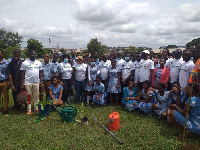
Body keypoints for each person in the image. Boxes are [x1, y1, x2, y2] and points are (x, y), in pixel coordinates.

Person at [20, 50, 42, 115]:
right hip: (28, 82)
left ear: (36, 55)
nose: (33, 55)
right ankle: (29, 110)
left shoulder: (39, 63)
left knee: (36, 97)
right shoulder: (25, 63)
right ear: (29, 55)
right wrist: (22, 83)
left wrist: (41, 81)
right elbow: (22, 74)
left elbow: (40, 73)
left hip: (36, 82)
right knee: (28, 97)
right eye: (32, 54)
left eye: (34, 54)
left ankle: (36, 109)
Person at [0, 49, 9, 116]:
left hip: (4, 82)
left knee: (6, 96)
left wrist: (8, 82)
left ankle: (5, 110)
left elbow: (8, 73)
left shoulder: (6, 63)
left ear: (2, 54)